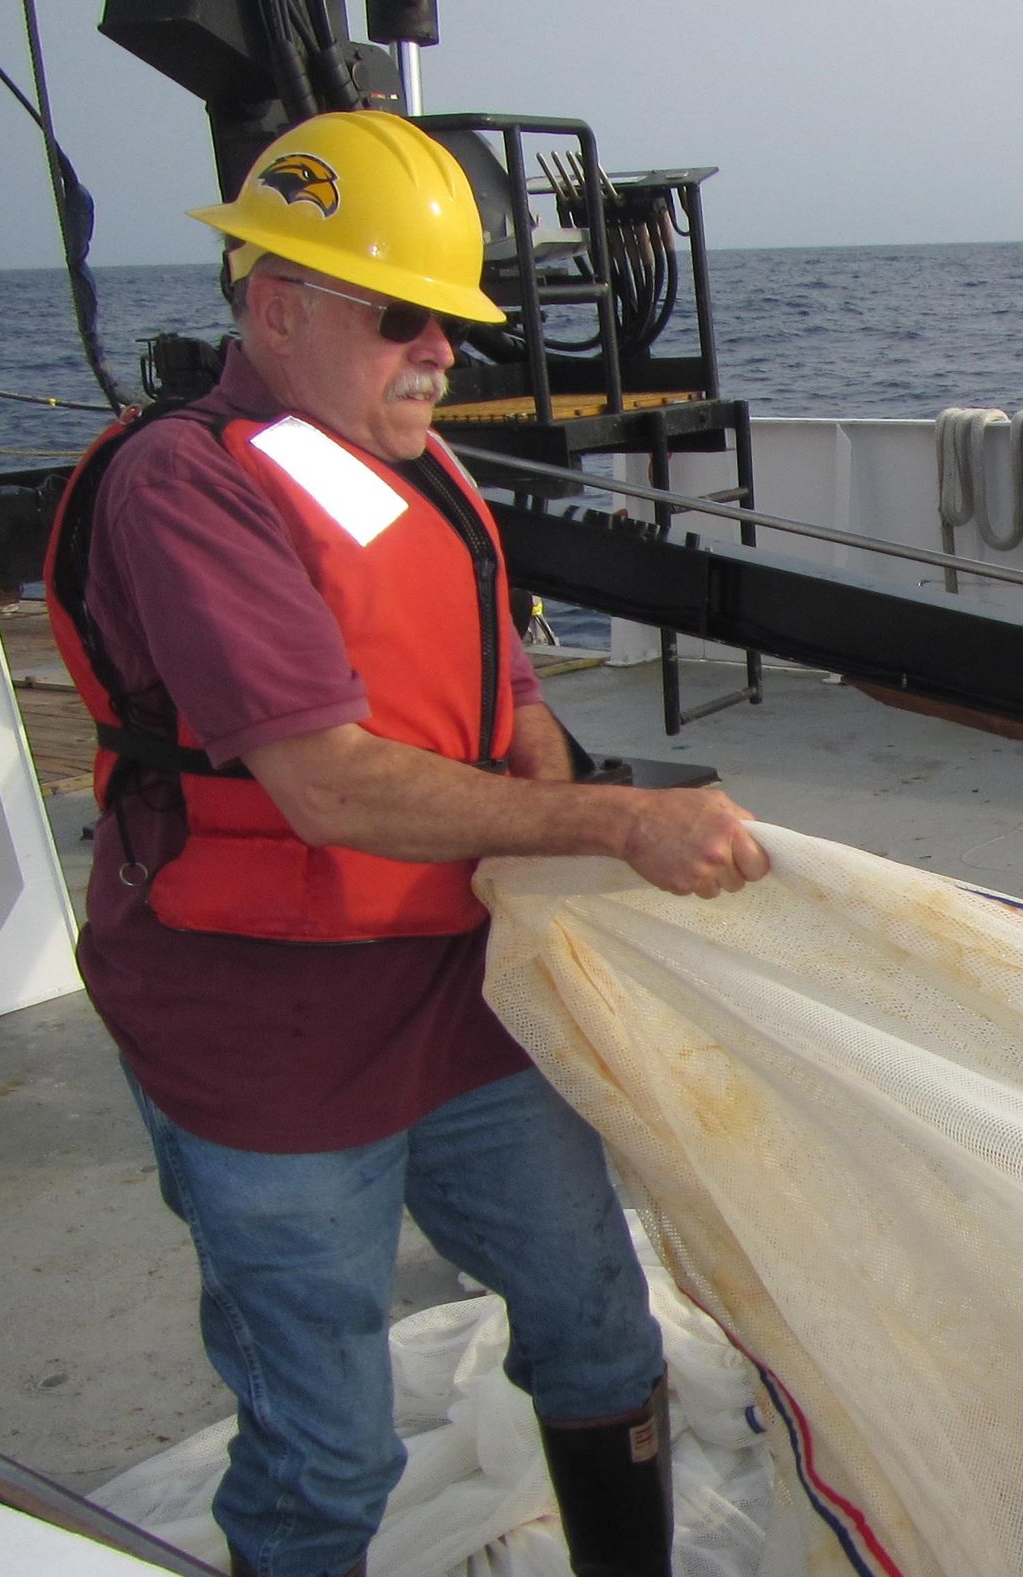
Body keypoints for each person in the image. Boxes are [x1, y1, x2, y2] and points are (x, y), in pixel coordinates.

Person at [46, 111, 769, 1577]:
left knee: (597, 1325)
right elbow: (327, 785)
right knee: (329, 1444)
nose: (440, 352)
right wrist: (621, 822)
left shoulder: (420, 471)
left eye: (452, 322)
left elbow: (503, 696)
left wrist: (571, 864)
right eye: (401, 317)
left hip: (457, 996)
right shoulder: (185, 486)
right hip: (261, 1035)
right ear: (276, 307)